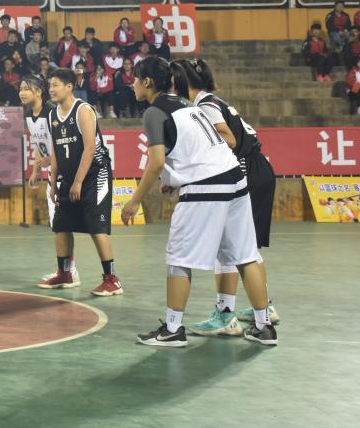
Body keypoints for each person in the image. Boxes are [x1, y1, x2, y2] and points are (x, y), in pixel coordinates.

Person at [121, 58, 276, 347]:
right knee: (246, 256)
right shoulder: (188, 105)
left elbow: (156, 162)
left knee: (179, 259)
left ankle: (172, 329)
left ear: (147, 82)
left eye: (135, 78)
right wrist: (174, 178)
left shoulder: (154, 112)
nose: (132, 84)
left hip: (205, 187)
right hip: (236, 179)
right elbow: (195, 147)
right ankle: (263, 326)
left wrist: (134, 201)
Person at [175, 59, 281, 337]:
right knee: (244, 248)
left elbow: (229, 139)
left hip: (244, 169)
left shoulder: (205, 106)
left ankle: (226, 314)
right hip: (256, 168)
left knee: (236, 247)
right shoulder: (213, 101)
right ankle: (261, 309)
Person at [38, 68, 122, 296]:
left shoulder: (83, 110)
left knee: (97, 228)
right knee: (61, 225)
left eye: (56, 85)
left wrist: (78, 182)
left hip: (95, 175)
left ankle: (112, 279)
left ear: (69, 87)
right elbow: (56, 151)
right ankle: (65, 273)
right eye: (50, 85)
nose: (51, 89)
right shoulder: (52, 115)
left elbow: (90, 148)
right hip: (70, 176)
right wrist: (53, 182)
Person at [20, 77, 81, 286]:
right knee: (60, 225)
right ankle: (68, 271)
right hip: (52, 174)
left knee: (62, 225)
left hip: (64, 174)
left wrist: (52, 160)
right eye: (20, 89)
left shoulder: (51, 113)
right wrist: (35, 170)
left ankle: (68, 272)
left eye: (26, 89)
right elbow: (39, 144)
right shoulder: (30, 116)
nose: (21, 93)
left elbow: (62, 143)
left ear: (38, 91)